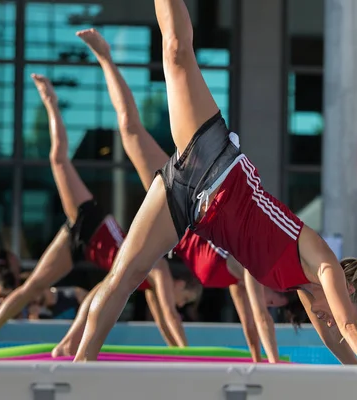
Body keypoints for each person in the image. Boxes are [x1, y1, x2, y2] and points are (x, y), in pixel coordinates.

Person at [73, 0, 357, 366]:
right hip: (216, 162)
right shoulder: (324, 264)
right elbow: (347, 325)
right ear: (344, 291)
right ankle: (80, 367)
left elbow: (338, 341)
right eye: (339, 310)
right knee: (176, 51)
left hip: (188, 205)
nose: (329, 319)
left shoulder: (302, 290)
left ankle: (78, 373)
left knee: (126, 276)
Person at [61, 28, 288, 362]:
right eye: (276, 299)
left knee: (122, 277)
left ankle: (75, 353)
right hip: (185, 192)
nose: (270, 303)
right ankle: (105, 57)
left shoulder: (240, 281)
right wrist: (274, 364)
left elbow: (252, 327)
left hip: (174, 219)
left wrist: (263, 365)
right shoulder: (249, 266)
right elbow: (262, 320)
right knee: (130, 128)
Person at [0, 73, 201, 350]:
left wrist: (177, 352)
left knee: (63, 291)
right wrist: (188, 353)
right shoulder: (159, 268)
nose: (180, 302)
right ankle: (51, 102)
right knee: (58, 158)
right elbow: (170, 315)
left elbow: (164, 321)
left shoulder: (145, 281)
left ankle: (62, 345)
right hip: (92, 223)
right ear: (178, 283)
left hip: (86, 247)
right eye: (184, 297)